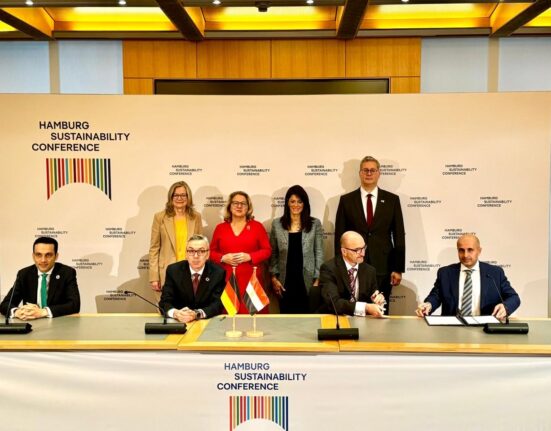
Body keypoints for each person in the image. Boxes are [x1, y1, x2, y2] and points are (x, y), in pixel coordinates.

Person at [334, 156, 405, 313]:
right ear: (360, 173)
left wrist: (398, 268)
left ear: (379, 173)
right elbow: (340, 236)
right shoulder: (346, 200)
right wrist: (339, 267)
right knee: (353, 309)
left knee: (380, 311)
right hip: (353, 266)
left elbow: (399, 235)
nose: (369, 173)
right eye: (365, 170)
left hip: (383, 265)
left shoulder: (392, 200)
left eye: (373, 170)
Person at [416, 234, 521, 319]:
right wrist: (429, 305)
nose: (465, 255)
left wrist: (505, 307)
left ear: (479, 251)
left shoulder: (495, 273)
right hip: (451, 329)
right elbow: (436, 296)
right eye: (461, 250)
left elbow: (514, 298)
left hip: (485, 328)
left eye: (470, 250)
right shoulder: (445, 273)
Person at [210, 191, 272, 314]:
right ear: (230, 206)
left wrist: (250, 256)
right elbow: (210, 252)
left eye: (243, 203)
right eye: (235, 203)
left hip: (252, 282)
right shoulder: (220, 228)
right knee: (229, 319)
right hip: (227, 280)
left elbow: (267, 250)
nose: (239, 206)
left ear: (248, 207)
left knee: (253, 319)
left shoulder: (257, 226)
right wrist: (223, 258)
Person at [270, 185, 324, 313]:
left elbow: (319, 253)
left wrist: (317, 280)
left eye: (299, 201)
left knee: (308, 318)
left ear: (305, 203)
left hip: (307, 281)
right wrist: (274, 278)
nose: (296, 205)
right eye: (292, 201)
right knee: (286, 318)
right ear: (287, 203)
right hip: (284, 281)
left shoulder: (314, 224)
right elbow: (273, 254)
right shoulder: (277, 224)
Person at [0, 237, 80, 320]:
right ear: (33, 256)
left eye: (48, 255)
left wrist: (43, 312)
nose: (43, 260)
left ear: (56, 256)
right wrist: (18, 312)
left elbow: (74, 304)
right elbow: (5, 304)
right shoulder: (24, 274)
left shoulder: (67, 273)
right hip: (32, 323)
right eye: (38, 255)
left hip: (58, 323)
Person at [149, 181, 203, 302]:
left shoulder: (196, 217)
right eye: (176, 195)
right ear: (171, 197)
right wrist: (154, 277)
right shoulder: (160, 217)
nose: (179, 198)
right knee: (167, 309)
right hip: (167, 272)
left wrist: (200, 272)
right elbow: (154, 248)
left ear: (188, 197)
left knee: (188, 309)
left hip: (190, 271)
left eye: (183, 195)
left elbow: (200, 247)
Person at [159, 234, 225, 322]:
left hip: (206, 322)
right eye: (191, 251)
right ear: (186, 254)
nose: (196, 256)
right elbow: (164, 301)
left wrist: (197, 314)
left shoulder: (218, 272)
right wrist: (176, 313)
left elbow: (218, 304)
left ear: (208, 254)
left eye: (201, 251)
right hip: (178, 322)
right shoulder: (173, 270)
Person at [320, 231, 386, 317]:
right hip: (335, 318)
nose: (363, 253)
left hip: (361, 320)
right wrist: (365, 307)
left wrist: (378, 300)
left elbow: (374, 296)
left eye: (364, 248)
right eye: (357, 250)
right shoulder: (329, 269)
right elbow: (334, 303)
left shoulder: (370, 271)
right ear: (344, 251)